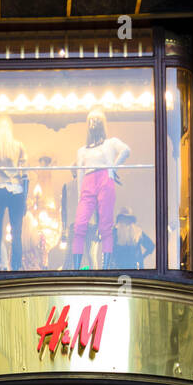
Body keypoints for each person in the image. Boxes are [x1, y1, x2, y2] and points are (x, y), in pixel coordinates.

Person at [72, 108, 130, 268]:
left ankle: (105, 267)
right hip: (88, 182)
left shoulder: (110, 143)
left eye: (97, 120)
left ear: (102, 124)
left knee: (106, 224)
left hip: (104, 179)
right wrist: (79, 198)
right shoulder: (82, 151)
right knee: (80, 225)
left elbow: (126, 150)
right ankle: (76, 267)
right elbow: (80, 174)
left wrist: (113, 168)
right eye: (91, 120)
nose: (93, 123)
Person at [0, 114, 27, 271]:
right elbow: (25, 174)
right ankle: (16, 268)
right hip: (17, 190)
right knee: (17, 233)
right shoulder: (19, 145)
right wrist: (25, 199)